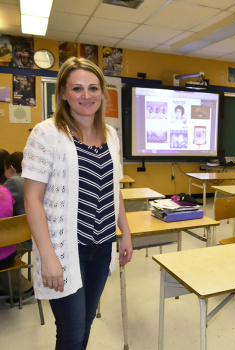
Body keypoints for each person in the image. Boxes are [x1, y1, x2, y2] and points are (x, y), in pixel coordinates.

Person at [22, 57, 133, 349]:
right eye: (77, 88)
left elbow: (114, 188)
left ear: (102, 94)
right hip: (65, 250)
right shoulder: (46, 134)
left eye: (93, 88)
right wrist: (47, 256)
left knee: (84, 325)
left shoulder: (111, 136)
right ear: (62, 94)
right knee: (71, 333)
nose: (87, 96)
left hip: (102, 247)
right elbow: (32, 200)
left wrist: (126, 233)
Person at [3, 151, 25, 216]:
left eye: (5, 170)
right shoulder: (30, 179)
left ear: (11, 169)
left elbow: (1, 196)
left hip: (22, 223)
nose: (4, 174)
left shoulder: (14, 182)